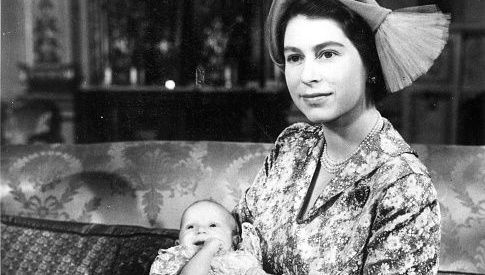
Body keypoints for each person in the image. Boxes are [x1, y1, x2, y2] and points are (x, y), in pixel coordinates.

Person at [234, 0, 449, 274]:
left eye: (327, 54)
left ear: (369, 63)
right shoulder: (291, 145)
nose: (307, 76)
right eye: (295, 58)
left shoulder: (403, 185)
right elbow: (233, 236)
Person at [150, 199, 264, 275]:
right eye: (190, 227)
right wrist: (208, 250)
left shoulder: (241, 260)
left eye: (212, 225)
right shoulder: (174, 259)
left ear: (235, 241)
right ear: (177, 244)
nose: (200, 230)